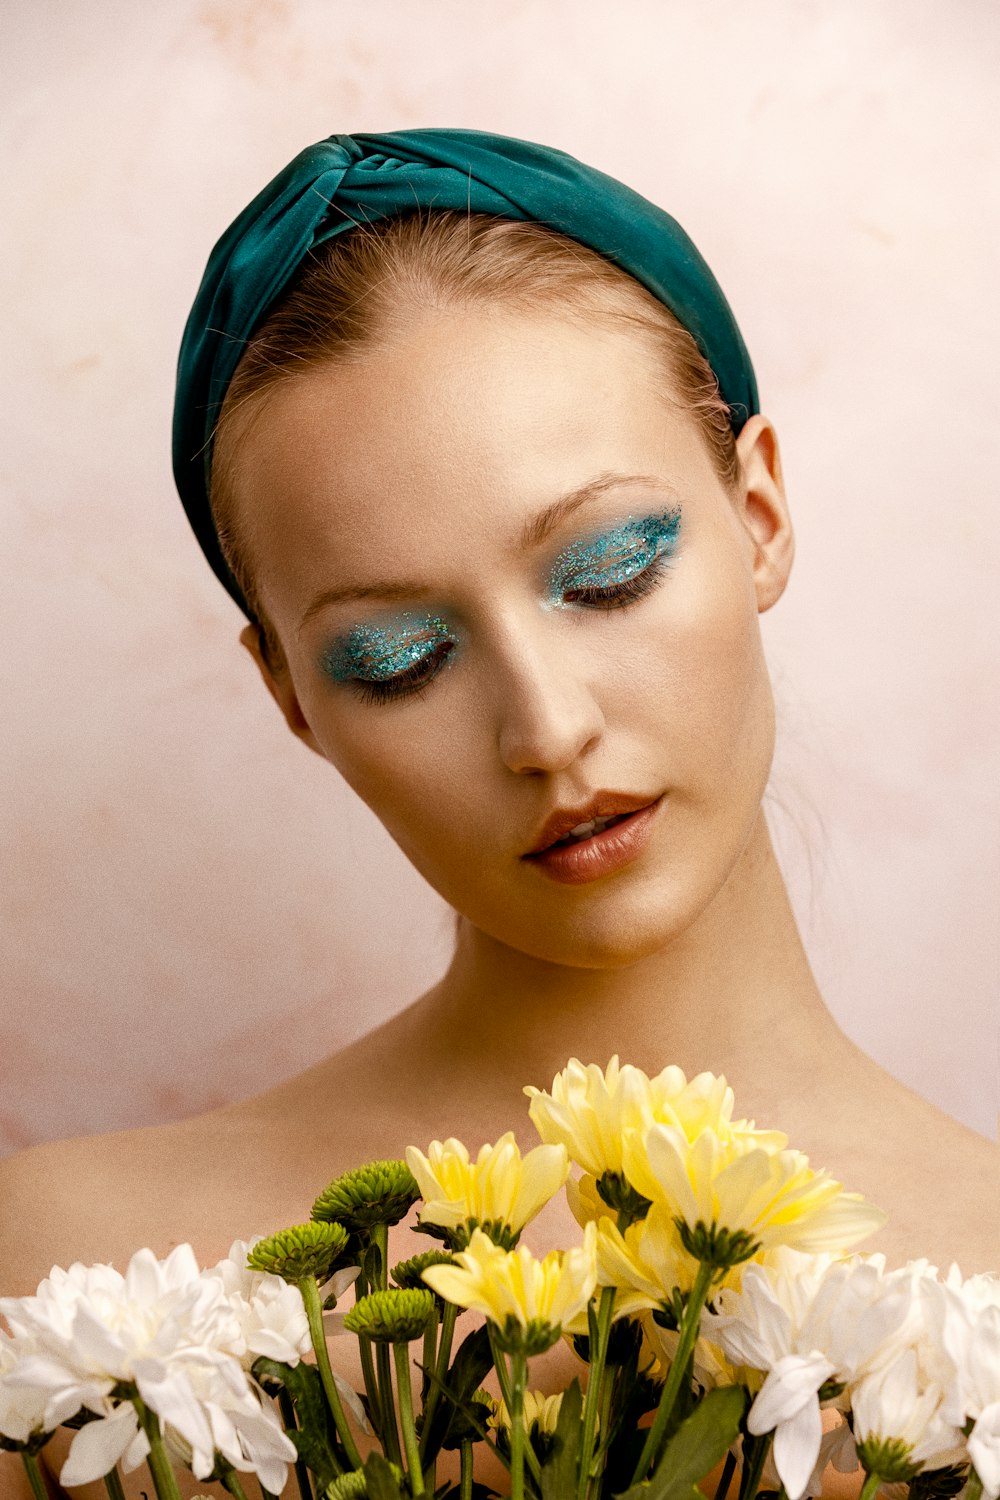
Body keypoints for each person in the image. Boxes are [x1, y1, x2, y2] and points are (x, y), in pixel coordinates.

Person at [1, 128, 996, 1500]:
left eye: (609, 570)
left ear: (758, 512)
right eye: (395, 659)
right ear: (291, 695)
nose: (547, 730)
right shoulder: (65, 1292)